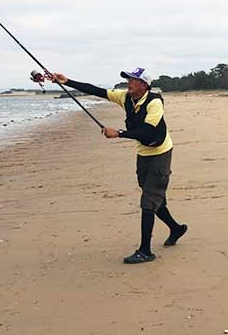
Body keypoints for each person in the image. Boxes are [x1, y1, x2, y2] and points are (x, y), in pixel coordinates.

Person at [52, 68, 187, 264]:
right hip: (143, 154)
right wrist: (67, 82)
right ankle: (176, 228)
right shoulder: (124, 97)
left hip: (160, 153)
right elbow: (97, 90)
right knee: (154, 197)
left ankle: (145, 251)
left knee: (148, 201)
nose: (129, 83)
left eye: (133, 80)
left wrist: (119, 133)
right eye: (128, 79)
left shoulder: (155, 102)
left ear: (144, 85)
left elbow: (148, 131)